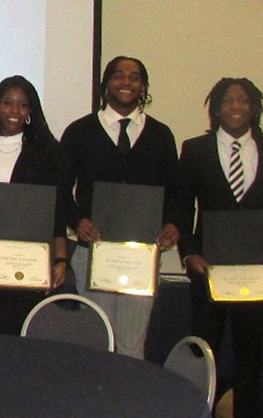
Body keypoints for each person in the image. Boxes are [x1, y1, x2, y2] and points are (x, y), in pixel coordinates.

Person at [176, 78, 263, 418]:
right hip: (208, 266)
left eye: (243, 101)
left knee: (250, 351)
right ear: (216, 108)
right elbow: (184, 207)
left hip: (255, 268)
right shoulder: (195, 149)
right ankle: (199, 411)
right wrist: (189, 253)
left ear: (254, 108)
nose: (235, 106)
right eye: (228, 101)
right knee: (205, 348)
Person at [59, 55, 181, 357]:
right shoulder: (79, 132)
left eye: (134, 77)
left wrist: (173, 223)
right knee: (98, 339)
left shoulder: (161, 135)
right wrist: (77, 221)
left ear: (143, 87)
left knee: (131, 343)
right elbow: (60, 189)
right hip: (92, 251)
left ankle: (128, 403)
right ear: (106, 84)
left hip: (141, 254)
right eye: (118, 75)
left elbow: (175, 191)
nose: (126, 82)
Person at [0, 76, 70, 335]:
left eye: (22, 105)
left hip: (32, 260)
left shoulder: (49, 155)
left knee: (24, 339)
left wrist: (61, 260)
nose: (14, 111)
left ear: (31, 110)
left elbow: (57, 215)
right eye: (8, 103)